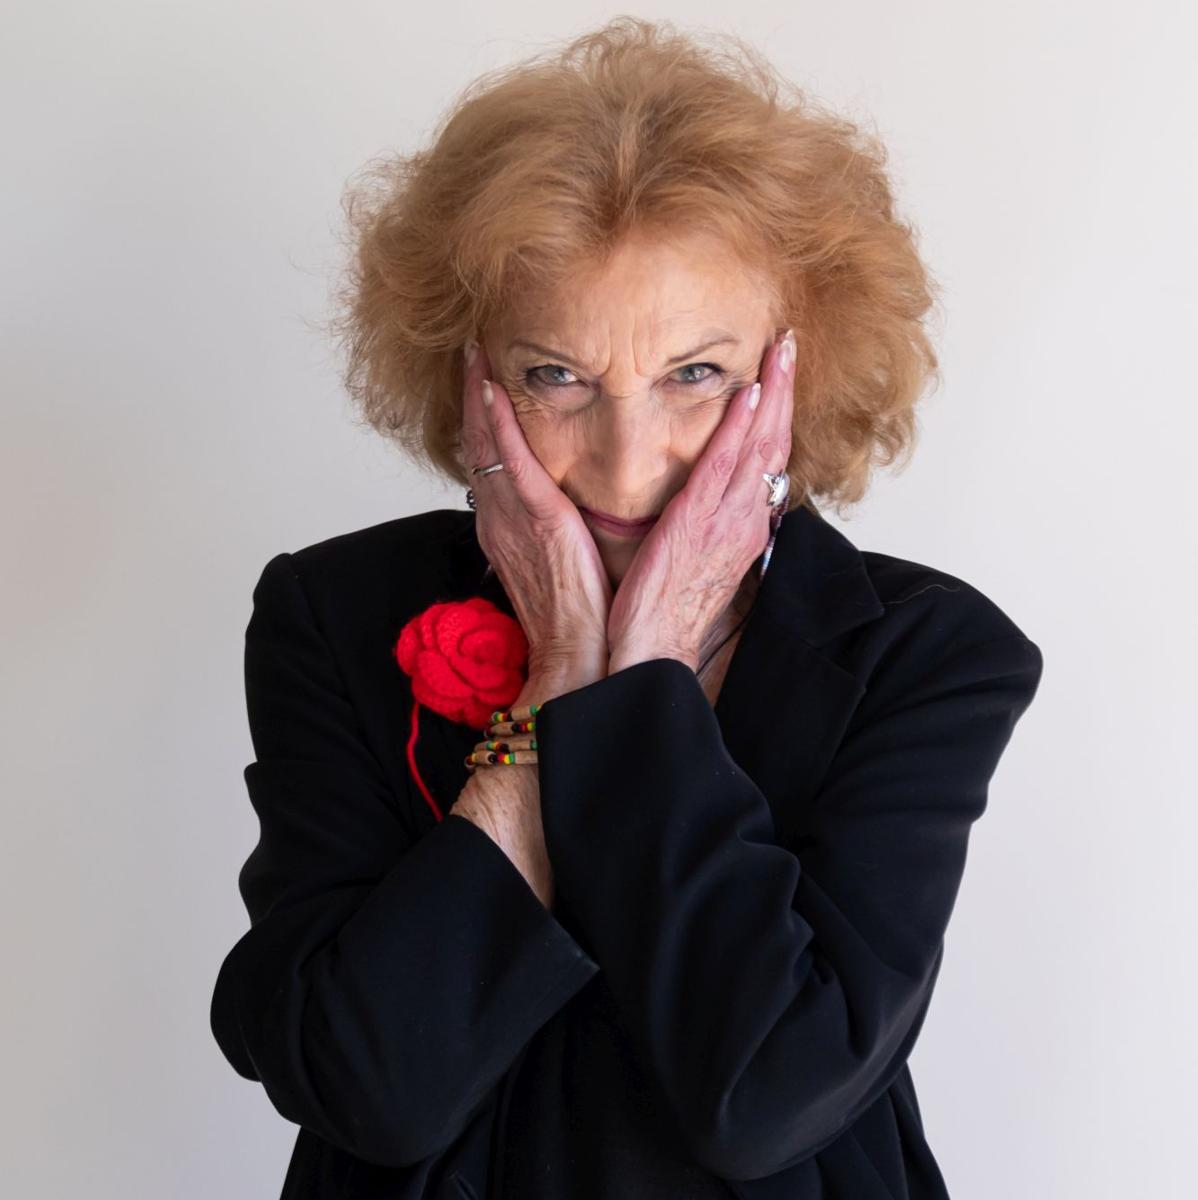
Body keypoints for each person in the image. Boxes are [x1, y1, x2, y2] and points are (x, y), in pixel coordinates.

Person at [209, 17, 1044, 1200]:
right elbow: (370, 1087)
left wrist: (640, 672)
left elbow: (764, 1098)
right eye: (556, 376)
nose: (625, 464)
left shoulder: (927, 655)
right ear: (472, 375)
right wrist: (560, 676)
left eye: (695, 376)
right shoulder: (332, 614)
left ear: (798, 372)